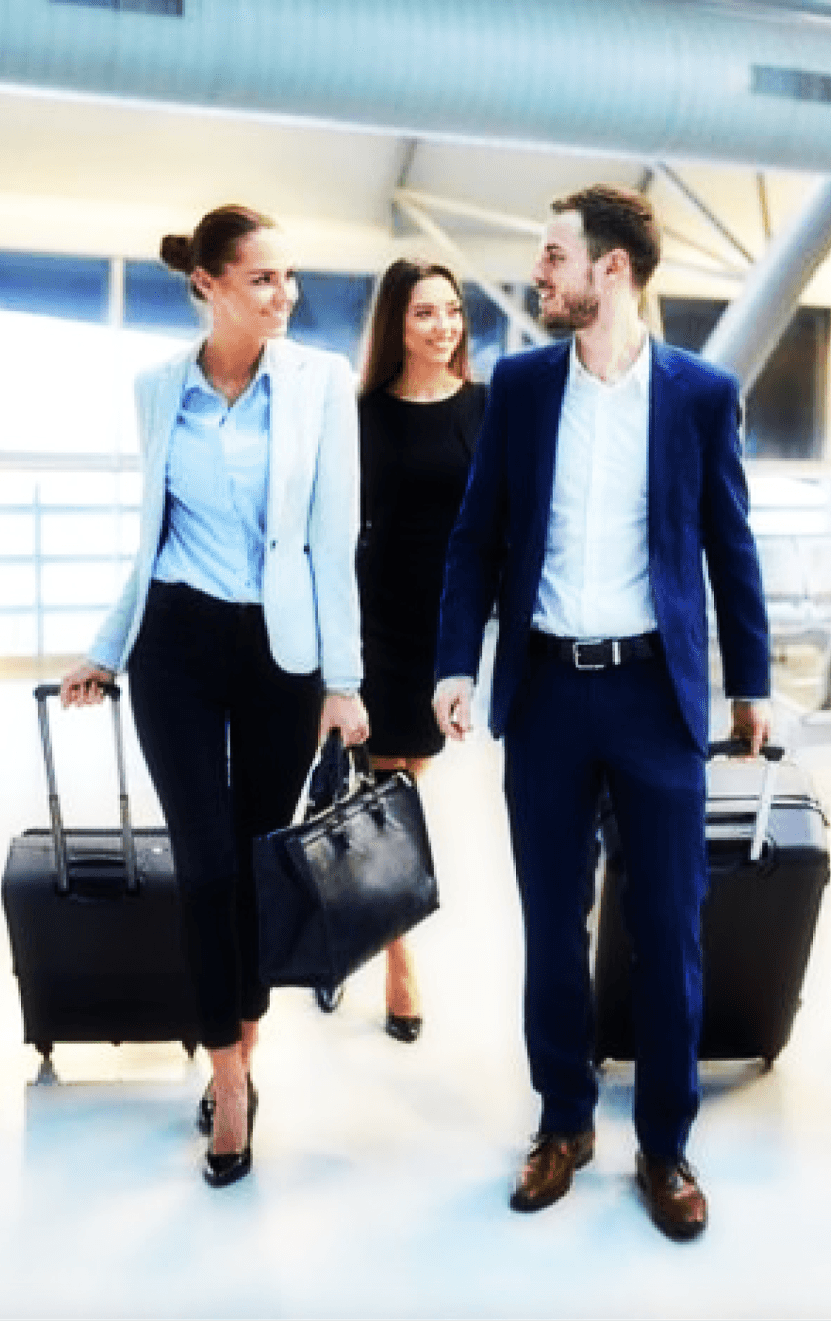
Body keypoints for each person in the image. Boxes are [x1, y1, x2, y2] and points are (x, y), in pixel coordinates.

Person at [432, 184, 770, 1243]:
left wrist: (750, 681)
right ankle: (563, 1120)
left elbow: (730, 545)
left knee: (670, 926)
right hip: (543, 692)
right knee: (551, 923)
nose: (543, 273)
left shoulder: (701, 395)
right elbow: (475, 539)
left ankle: (665, 1145)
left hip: (653, 695)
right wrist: (455, 662)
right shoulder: (525, 388)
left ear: (611, 268)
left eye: (555, 256)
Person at [58, 203, 369, 1190]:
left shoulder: (321, 384)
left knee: (249, 861)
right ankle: (229, 1079)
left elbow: (332, 541)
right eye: (262, 279)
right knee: (201, 866)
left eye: (289, 277)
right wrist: (106, 648)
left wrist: (345, 680)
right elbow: (150, 532)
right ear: (208, 285)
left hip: (281, 652)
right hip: (180, 643)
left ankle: (242, 1038)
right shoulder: (158, 390)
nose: (285, 295)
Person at [352, 258, 487, 1044]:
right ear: (395, 326)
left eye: (452, 312)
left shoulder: (486, 406)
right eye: (424, 315)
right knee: (387, 795)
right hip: (378, 624)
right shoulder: (364, 413)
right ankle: (399, 956)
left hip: (449, 627)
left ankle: (378, 920)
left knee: (405, 786)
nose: (443, 328)